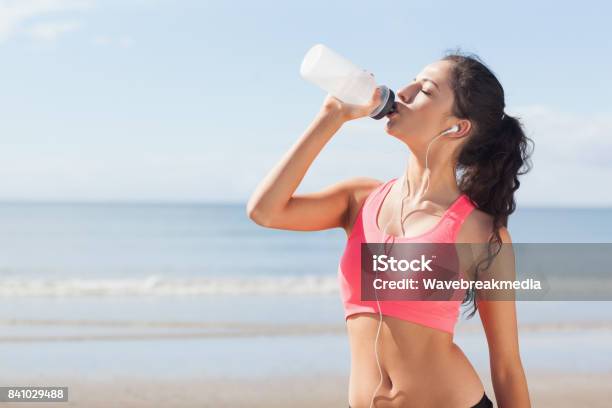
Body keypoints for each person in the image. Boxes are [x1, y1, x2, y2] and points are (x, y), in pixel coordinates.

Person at [246, 50, 533, 408]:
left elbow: (506, 365)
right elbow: (265, 211)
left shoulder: (483, 233)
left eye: (425, 90)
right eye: (412, 80)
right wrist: (330, 117)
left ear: (457, 127)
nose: (405, 90)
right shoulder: (359, 200)